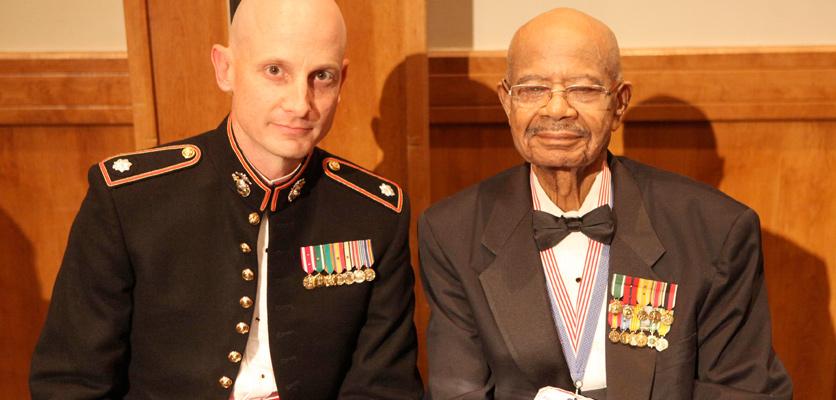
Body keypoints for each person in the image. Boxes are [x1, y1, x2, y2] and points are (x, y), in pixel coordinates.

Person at [29, 0, 423, 398]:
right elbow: (70, 383)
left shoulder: (374, 214)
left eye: (322, 76)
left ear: (343, 80)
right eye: (275, 71)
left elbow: (384, 389)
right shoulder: (130, 201)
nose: (300, 104)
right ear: (225, 69)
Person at [418, 8, 792, 400]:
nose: (557, 109)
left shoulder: (716, 230)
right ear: (507, 102)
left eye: (582, 89)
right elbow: (455, 391)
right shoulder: (451, 232)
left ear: (620, 103)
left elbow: (745, 391)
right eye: (533, 88)